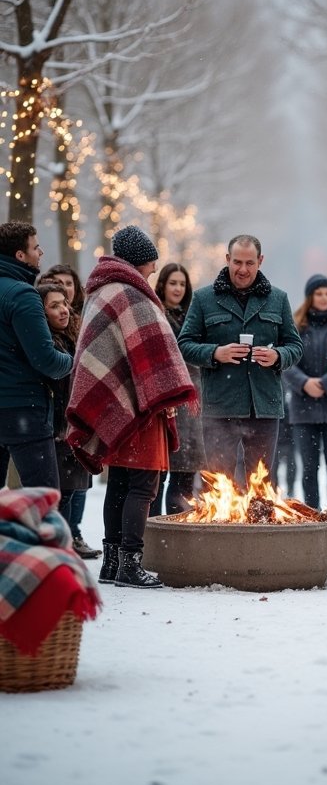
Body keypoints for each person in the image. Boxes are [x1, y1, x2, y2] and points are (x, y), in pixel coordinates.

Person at [66, 225, 197, 588]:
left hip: (116, 406)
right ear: (139, 261)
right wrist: (164, 394)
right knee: (143, 487)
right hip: (141, 410)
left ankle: (111, 563)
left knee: (119, 485)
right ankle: (130, 564)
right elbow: (154, 352)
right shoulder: (131, 294)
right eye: (151, 265)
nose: (154, 272)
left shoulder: (100, 291)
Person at [178, 234, 303, 486]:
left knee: (261, 484)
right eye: (237, 262)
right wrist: (215, 353)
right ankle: (221, 526)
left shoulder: (278, 299)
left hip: (264, 405)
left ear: (260, 261)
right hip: (220, 405)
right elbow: (184, 345)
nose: (242, 269)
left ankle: (258, 524)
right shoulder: (204, 299)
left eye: (249, 263)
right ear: (227, 259)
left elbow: (296, 346)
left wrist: (278, 356)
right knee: (219, 483)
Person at [0, 221, 72, 489]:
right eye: (35, 247)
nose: (40, 252)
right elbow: (47, 361)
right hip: (23, 411)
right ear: (20, 255)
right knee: (43, 498)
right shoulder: (22, 294)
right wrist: (74, 362)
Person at [37, 281, 101, 559]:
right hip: (56, 428)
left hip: (77, 426)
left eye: (64, 303)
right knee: (60, 495)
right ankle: (58, 551)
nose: (63, 310)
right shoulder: (45, 343)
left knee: (74, 491)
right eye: (54, 306)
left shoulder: (75, 336)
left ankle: (68, 542)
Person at [285, 274, 327, 514]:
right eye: (319, 293)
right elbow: (286, 361)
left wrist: (325, 383)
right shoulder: (296, 326)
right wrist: (304, 383)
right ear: (310, 296)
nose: (324, 298)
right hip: (303, 409)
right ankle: (312, 513)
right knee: (309, 466)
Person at [150, 263, 205, 515]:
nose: (178, 288)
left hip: (192, 400)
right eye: (173, 283)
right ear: (162, 284)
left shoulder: (193, 317)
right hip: (163, 398)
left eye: (182, 284)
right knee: (156, 478)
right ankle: (151, 531)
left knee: (184, 475)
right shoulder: (154, 314)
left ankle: (176, 533)